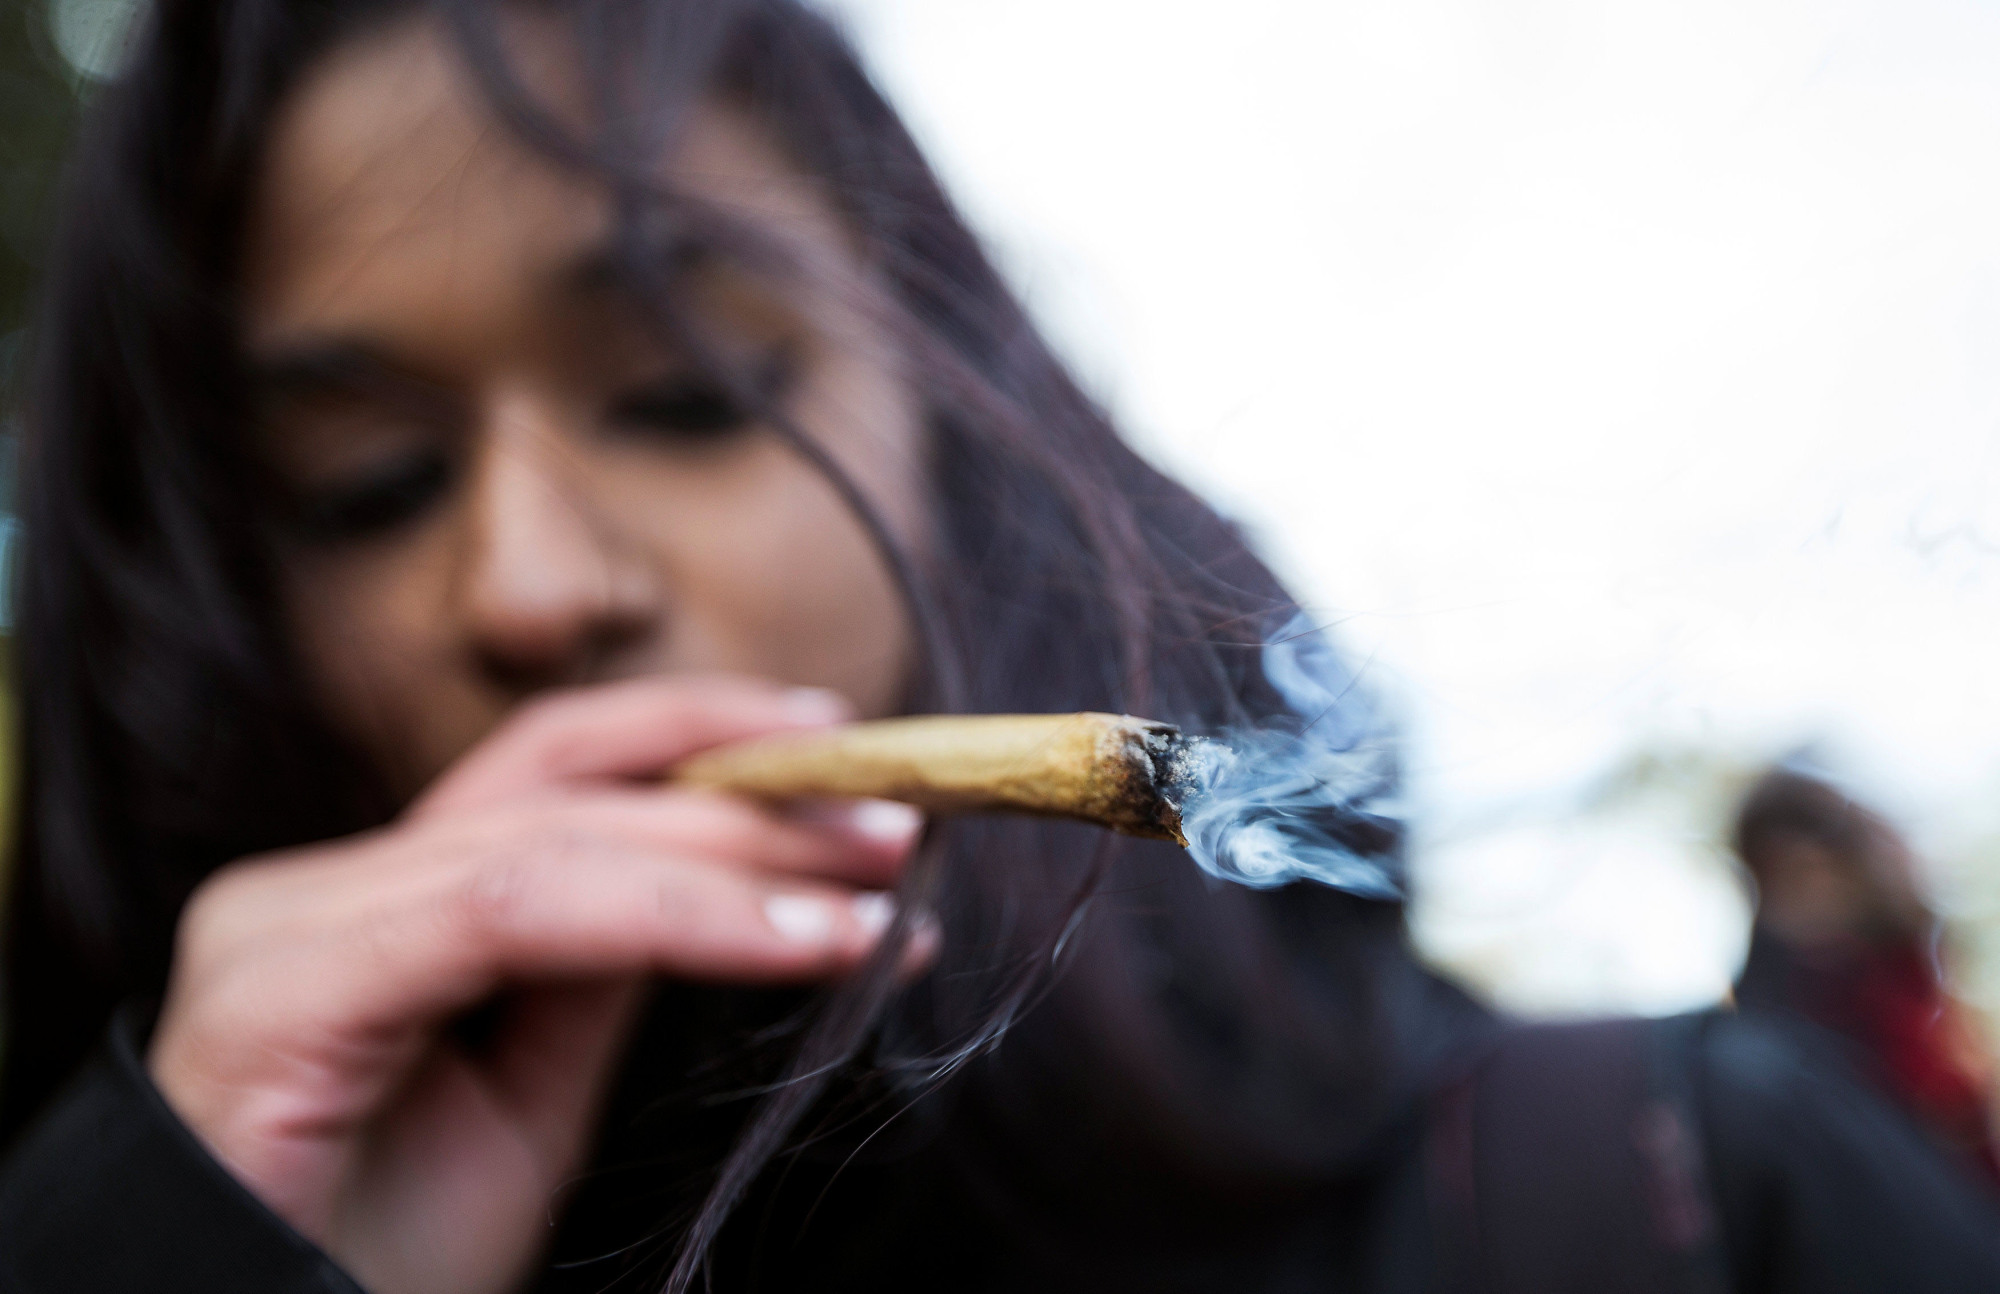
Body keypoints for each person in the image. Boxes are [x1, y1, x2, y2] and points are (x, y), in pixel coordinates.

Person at [0, 2, 1996, 1291]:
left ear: (946, 421)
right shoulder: (129, 1210)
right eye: (364, 485)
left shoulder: (1688, 1195)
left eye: (688, 392)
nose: (527, 582)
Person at [1732, 764, 2000, 1187]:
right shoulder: (1769, 1022)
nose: (1803, 900)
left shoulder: (1900, 980)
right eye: (1780, 879)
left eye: (1811, 870)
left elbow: (1955, 1106)